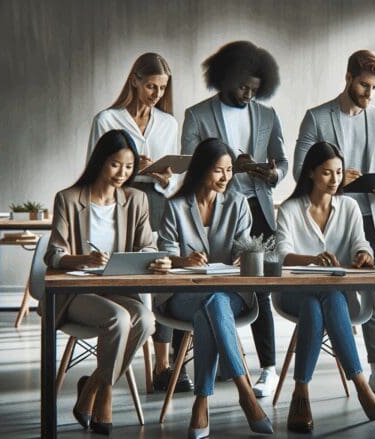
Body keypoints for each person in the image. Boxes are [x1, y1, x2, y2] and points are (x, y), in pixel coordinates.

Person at [44, 129, 171, 435]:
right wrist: (83, 259)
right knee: (119, 319)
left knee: (146, 319)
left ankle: (92, 387)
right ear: (99, 161)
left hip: (120, 290)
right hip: (78, 294)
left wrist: (156, 259)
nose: (122, 173)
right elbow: (54, 254)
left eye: (129, 167)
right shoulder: (69, 199)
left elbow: (146, 246)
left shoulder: (136, 199)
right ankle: (106, 395)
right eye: (115, 165)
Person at [181, 41, 287, 397]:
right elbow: (188, 164)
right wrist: (230, 168)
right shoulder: (197, 115)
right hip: (213, 208)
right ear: (224, 78)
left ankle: (268, 369)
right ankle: (206, 364)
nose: (248, 94)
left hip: (258, 208)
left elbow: (282, 161)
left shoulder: (268, 115)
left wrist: (273, 174)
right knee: (201, 280)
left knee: (259, 287)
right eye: (243, 87)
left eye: (255, 89)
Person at [293, 49, 375, 396]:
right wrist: (339, 182)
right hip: (327, 217)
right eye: (365, 85)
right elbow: (299, 172)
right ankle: (317, 371)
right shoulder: (317, 117)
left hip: (368, 215)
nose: (370, 94)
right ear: (349, 78)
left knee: (373, 293)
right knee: (326, 288)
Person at [87, 52, 192, 394]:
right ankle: (109, 367)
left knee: (162, 278)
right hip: (119, 204)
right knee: (125, 279)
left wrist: (165, 177)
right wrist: (133, 169)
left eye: (162, 88)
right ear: (134, 80)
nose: (157, 94)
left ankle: (163, 366)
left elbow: (176, 181)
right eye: (151, 86)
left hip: (159, 204)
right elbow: (94, 171)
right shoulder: (107, 119)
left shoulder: (168, 123)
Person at [156, 138, 273, 437]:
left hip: (230, 294)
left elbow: (244, 246)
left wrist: (242, 256)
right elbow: (165, 254)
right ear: (200, 169)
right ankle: (245, 394)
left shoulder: (238, 203)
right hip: (182, 296)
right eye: (219, 170)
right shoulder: (175, 206)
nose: (226, 177)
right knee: (212, 304)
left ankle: (202, 403)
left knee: (213, 304)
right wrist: (184, 260)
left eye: (229, 170)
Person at [275, 141, 375, 433]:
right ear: (311, 173)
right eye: (327, 172)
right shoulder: (290, 209)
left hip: (336, 295)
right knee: (321, 296)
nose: (335, 179)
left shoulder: (349, 207)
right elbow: (281, 254)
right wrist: (312, 259)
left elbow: (361, 243)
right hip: (293, 293)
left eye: (338, 172)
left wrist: (364, 254)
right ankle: (361, 384)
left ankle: (301, 393)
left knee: (318, 304)